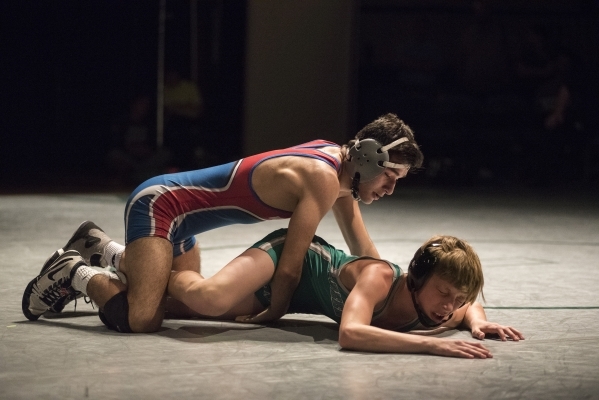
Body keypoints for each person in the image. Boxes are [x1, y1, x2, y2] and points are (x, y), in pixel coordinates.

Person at [22, 113, 425, 334]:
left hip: (183, 226)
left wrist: (399, 295)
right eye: (390, 178)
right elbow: (289, 267)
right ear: (369, 158)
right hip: (161, 206)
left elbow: (365, 252)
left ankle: (105, 248)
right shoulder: (321, 177)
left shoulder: (339, 175)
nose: (389, 189)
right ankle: (73, 270)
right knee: (142, 318)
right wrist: (275, 312)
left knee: (182, 304)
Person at [168, 229, 524, 358]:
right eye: (445, 292)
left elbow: (469, 307)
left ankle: (139, 285)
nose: (450, 307)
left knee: (177, 313)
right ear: (417, 277)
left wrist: (479, 324)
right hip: (291, 258)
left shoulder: (442, 307)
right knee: (207, 300)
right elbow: (351, 334)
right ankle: (160, 271)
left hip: (289, 298)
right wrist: (431, 344)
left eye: (457, 300)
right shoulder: (380, 278)